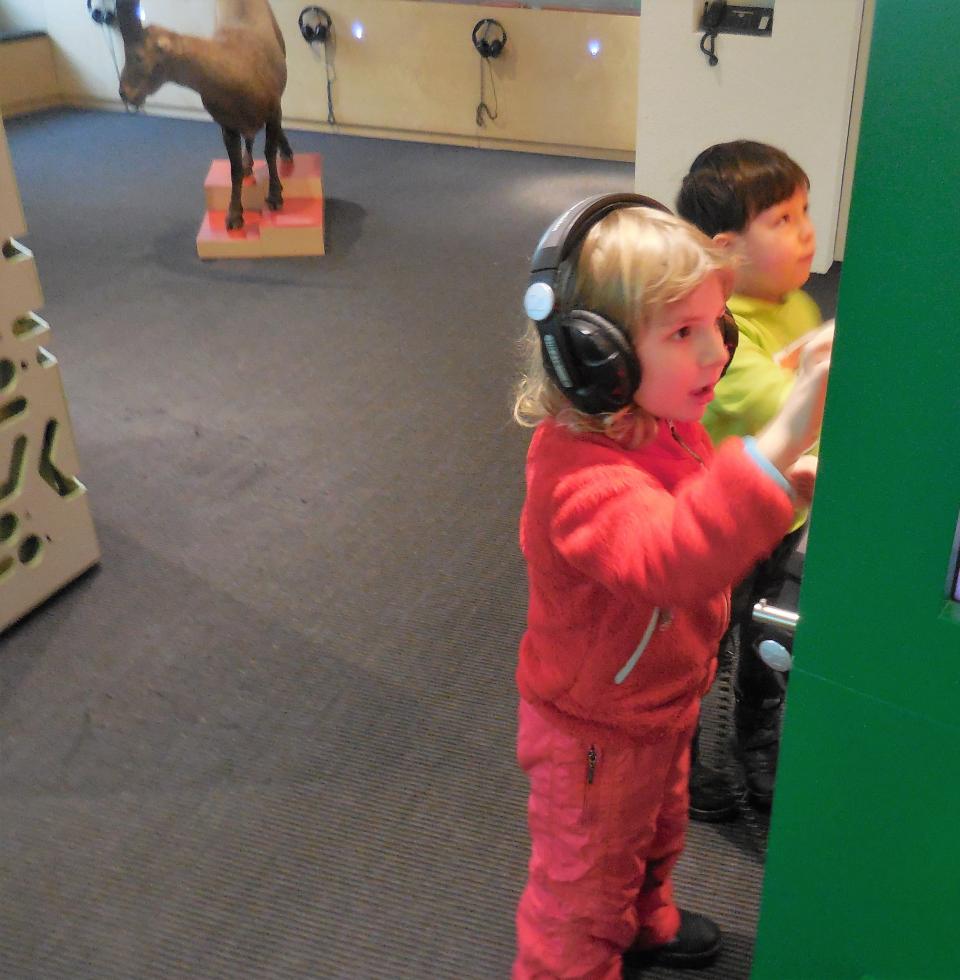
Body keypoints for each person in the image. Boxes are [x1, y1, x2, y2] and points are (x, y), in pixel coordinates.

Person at [512, 193, 832, 978]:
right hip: (595, 732)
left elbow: (700, 504)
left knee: (657, 836)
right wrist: (783, 431)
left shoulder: (664, 422)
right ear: (595, 356)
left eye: (717, 324)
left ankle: (645, 920)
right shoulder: (576, 476)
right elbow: (669, 558)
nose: (715, 353)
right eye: (682, 333)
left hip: (663, 701)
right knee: (582, 892)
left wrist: (783, 482)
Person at [676, 140, 825, 816]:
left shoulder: (795, 306)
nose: (807, 232)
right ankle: (679, 760)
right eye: (783, 219)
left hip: (781, 520)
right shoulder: (720, 330)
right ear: (727, 250)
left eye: (805, 211)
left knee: (767, 641)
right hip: (719, 531)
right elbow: (792, 409)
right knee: (700, 650)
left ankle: (757, 741)